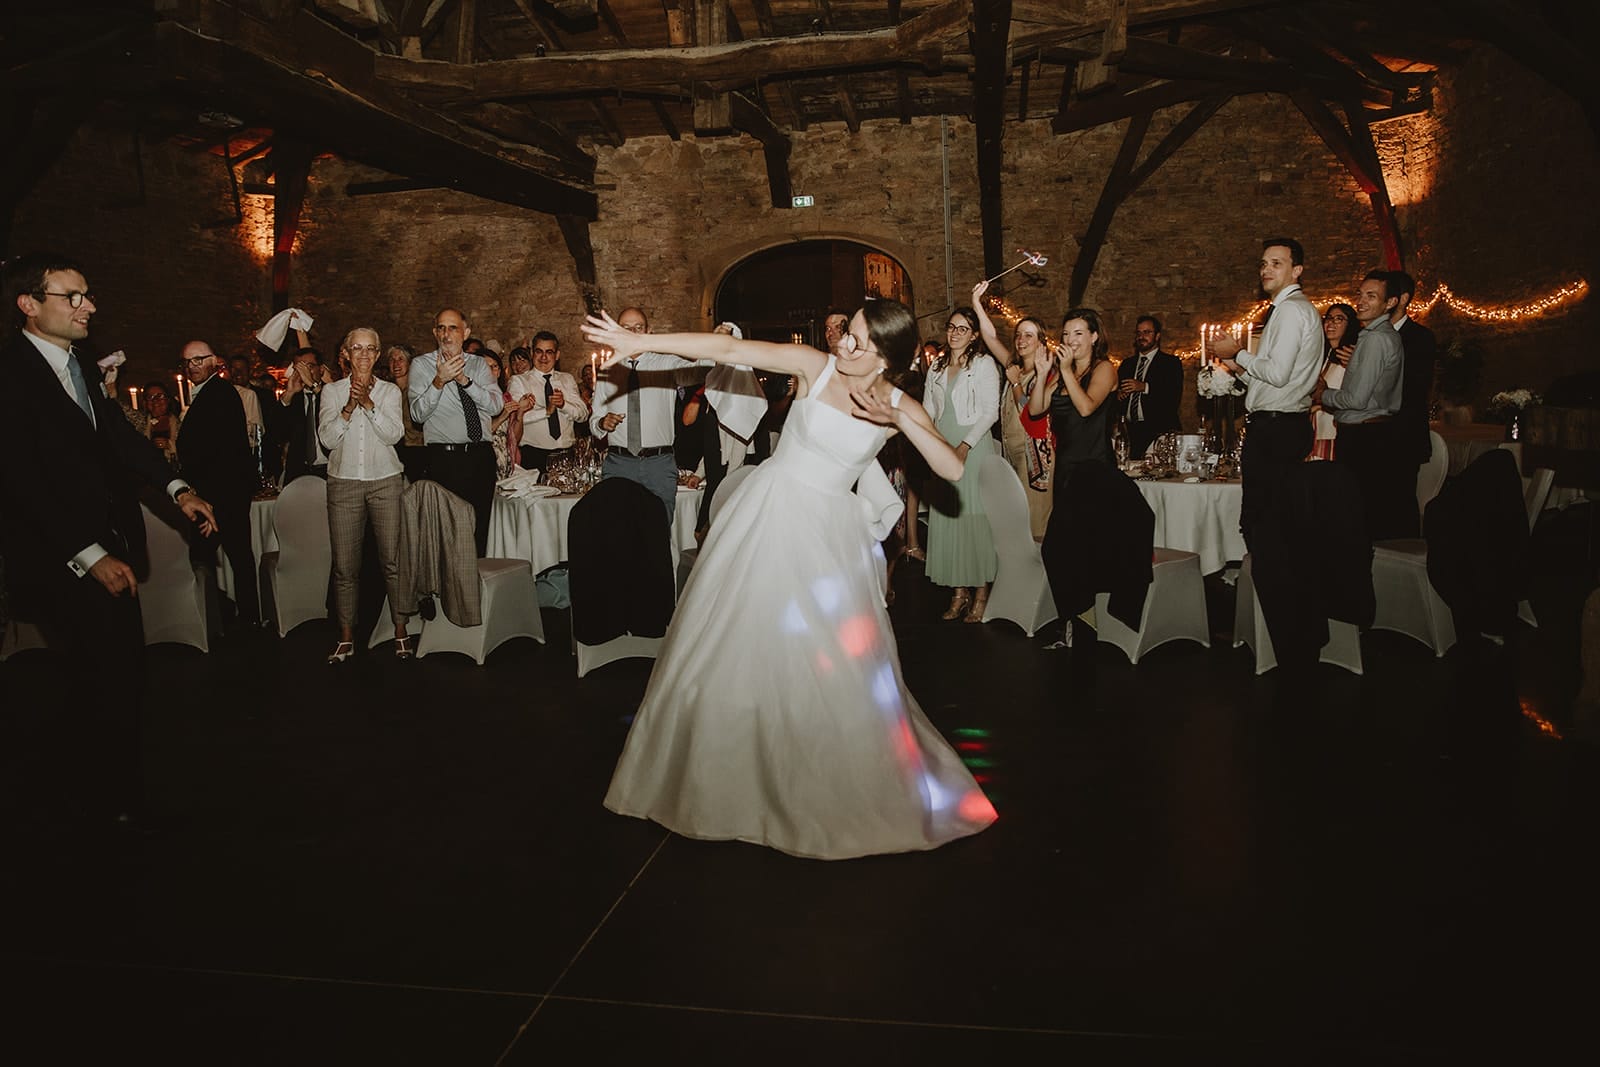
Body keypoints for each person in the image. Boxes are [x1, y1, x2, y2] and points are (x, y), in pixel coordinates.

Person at [581, 299, 997, 860]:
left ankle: (820, 779)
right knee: (738, 642)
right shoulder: (813, 365)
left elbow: (952, 468)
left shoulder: (897, 401)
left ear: (887, 356)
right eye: (845, 333)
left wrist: (898, 418)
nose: (843, 345)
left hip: (830, 536)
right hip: (770, 514)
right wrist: (642, 347)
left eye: (856, 341)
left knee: (827, 661)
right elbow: (729, 348)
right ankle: (728, 775)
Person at [1, 252, 217, 827]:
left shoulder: (81, 366)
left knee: (118, 671)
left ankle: (113, 788)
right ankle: (101, 801)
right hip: (58, 554)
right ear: (29, 305)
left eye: (87, 294)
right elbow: (21, 481)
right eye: (72, 297)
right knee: (102, 671)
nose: (88, 306)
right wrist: (89, 556)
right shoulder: (11, 372)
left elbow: (118, 439)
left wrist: (178, 488)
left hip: (106, 540)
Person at [1209, 238, 1325, 549]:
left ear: (1297, 270)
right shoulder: (1289, 310)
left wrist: (1238, 352)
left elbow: (1277, 373)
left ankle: (1271, 592)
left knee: (1263, 522)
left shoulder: (1290, 311)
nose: (1266, 269)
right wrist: (1235, 364)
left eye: (1276, 263)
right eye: (1263, 263)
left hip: (1277, 429)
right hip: (1281, 424)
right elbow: (1271, 383)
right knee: (1270, 519)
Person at [318, 327, 411, 663]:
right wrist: (347, 407)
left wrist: (368, 404)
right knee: (345, 567)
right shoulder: (330, 391)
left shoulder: (388, 392)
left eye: (370, 349)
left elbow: (394, 434)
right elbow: (327, 441)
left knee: (393, 561)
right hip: (343, 483)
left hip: (385, 481)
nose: (363, 355)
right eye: (356, 348)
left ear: (377, 353)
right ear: (346, 353)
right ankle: (346, 636)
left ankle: (401, 629)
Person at [1029, 307, 1118, 649]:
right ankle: (1074, 623)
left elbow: (1086, 408)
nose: (1070, 340)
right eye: (1066, 334)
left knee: (1071, 550)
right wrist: (1041, 373)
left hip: (1094, 471)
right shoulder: (1059, 374)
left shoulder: (1104, 369)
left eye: (1078, 333)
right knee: (1059, 551)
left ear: (1094, 337)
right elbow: (1036, 409)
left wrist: (1065, 371)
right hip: (1066, 471)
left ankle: (1081, 630)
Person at [176, 340, 261, 631]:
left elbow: (223, 454)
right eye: (187, 362)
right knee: (232, 556)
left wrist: (212, 504)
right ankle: (236, 614)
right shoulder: (208, 393)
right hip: (221, 494)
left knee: (209, 558)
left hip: (219, 497)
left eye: (198, 360)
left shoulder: (219, 393)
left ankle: (226, 617)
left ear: (214, 361)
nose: (192, 366)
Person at [587, 306, 702, 519]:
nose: (632, 332)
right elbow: (594, 420)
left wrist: (721, 346)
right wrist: (602, 422)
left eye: (638, 327)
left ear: (648, 332)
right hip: (619, 464)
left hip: (658, 464)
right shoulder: (607, 370)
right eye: (626, 328)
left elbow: (703, 368)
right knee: (617, 531)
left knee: (658, 531)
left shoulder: (666, 364)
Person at [923, 305, 1000, 622]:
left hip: (973, 444)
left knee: (974, 518)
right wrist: (929, 444)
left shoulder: (983, 364)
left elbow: (989, 411)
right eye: (951, 327)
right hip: (944, 442)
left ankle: (981, 594)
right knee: (950, 518)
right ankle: (958, 594)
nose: (954, 333)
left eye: (962, 329)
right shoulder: (937, 366)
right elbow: (928, 409)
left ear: (974, 335)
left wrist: (965, 446)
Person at [1319, 271, 1407, 541]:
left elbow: (1356, 400)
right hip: (1366, 435)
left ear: (1390, 302)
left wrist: (1323, 395)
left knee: (1357, 520)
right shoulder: (1374, 336)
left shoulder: (1377, 339)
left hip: (1365, 438)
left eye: (1371, 296)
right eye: (1360, 294)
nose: (1361, 301)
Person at [409, 307, 503, 556]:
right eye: (441, 327)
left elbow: (496, 406)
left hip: (480, 457)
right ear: (434, 332)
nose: (446, 333)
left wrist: (464, 381)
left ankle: (477, 590)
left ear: (466, 332)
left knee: (479, 531)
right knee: (447, 536)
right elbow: (417, 415)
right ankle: (447, 593)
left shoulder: (479, 366)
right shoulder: (421, 365)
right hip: (445, 459)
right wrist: (438, 381)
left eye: (452, 328)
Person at [972, 281, 1054, 539]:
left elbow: (1032, 412)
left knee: (1035, 525)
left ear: (1041, 341)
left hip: (1035, 460)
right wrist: (976, 302)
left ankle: (1042, 578)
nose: (1021, 340)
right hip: (1011, 453)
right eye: (1018, 334)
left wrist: (1016, 382)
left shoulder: (1049, 373)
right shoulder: (1012, 364)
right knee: (1016, 525)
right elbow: (990, 336)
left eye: (1029, 335)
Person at [1389, 270, 1437, 536]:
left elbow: (1414, 387)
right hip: (1378, 438)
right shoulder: (1368, 336)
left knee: (1401, 507)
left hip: (1404, 435)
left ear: (1402, 298)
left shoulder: (1420, 338)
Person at [508, 331, 588, 474]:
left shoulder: (567, 379)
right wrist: (546, 412)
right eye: (539, 351)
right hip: (533, 455)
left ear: (557, 355)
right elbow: (514, 419)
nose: (544, 357)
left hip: (566, 454)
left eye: (549, 352)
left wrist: (564, 405)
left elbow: (583, 414)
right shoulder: (519, 381)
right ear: (532, 353)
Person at [1115, 315, 1183, 459]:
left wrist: (1144, 387)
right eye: (1138, 333)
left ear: (1157, 336)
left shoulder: (1170, 364)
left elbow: (1173, 396)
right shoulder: (1127, 364)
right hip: (1130, 432)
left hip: (1158, 432)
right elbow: (1116, 397)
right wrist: (1118, 395)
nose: (1141, 336)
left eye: (1147, 332)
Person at [1310, 302, 1358, 461]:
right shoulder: (1324, 355)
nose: (1331, 323)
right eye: (1329, 318)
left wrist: (1320, 401)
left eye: (1339, 319)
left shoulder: (1351, 356)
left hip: (1334, 430)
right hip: (1315, 428)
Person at [280, 346, 333, 482]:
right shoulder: (294, 399)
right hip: (299, 472)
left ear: (321, 370)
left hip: (329, 469)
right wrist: (289, 394)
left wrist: (313, 384)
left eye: (309, 366)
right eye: (299, 368)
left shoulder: (332, 393)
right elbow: (275, 432)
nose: (304, 372)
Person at [483, 350, 521, 478]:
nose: (491, 371)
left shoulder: (505, 397)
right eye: (486, 366)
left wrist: (520, 413)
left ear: (499, 371)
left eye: (494, 366)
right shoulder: (472, 398)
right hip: (485, 458)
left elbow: (515, 437)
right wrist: (502, 416)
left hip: (505, 459)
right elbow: (480, 434)